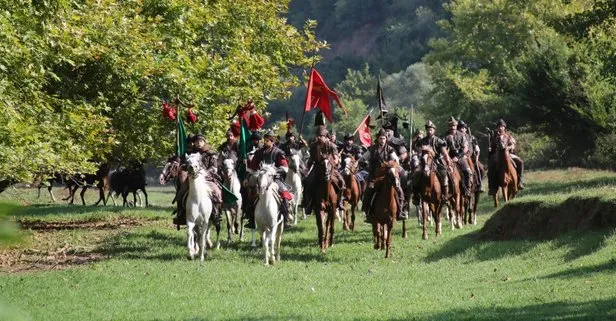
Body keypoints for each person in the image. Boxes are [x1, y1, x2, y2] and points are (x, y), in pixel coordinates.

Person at [245, 129, 293, 228]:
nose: (265, 142)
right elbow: (252, 167)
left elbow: (285, 167)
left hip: (275, 178)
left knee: (284, 194)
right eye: (265, 140)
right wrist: (247, 178)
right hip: (261, 177)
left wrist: (273, 171)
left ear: (272, 141)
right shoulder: (259, 152)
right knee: (251, 193)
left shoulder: (278, 152)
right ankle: (251, 218)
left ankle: (286, 217)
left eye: (267, 140)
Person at [361, 128, 408, 222]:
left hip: (387, 176)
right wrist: (363, 162)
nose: (382, 140)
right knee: (368, 191)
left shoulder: (390, 150)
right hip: (374, 177)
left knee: (399, 189)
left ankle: (400, 211)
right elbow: (363, 158)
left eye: (384, 138)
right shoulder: (372, 149)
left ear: (386, 139)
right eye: (380, 138)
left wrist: (391, 165)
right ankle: (367, 212)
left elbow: (396, 160)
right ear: (377, 139)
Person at [301, 125, 346, 214]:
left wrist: (333, 162)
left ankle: (339, 202)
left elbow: (336, 158)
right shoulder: (314, 146)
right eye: (318, 136)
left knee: (341, 182)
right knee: (307, 182)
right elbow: (311, 159)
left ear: (325, 137)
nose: (319, 138)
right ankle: (308, 203)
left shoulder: (332, 146)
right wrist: (307, 168)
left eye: (321, 136)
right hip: (317, 168)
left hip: (330, 168)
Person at [412, 121, 451, 203]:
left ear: (434, 130)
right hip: (424, 162)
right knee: (416, 174)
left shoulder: (439, 141)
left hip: (436, 161)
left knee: (444, 174)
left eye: (431, 130)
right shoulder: (421, 141)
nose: (429, 131)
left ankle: (445, 195)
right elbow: (418, 151)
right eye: (428, 130)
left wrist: (448, 163)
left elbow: (445, 153)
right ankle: (416, 196)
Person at [488, 119, 524, 195]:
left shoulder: (509, 135)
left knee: (520, 162)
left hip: (508, 154)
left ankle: (520, 181)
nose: (500, 128)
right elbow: (492, 148)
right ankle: (493, 187)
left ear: (504, 127)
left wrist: (507, 148)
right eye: (499, 127)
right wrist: (490, 148)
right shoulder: (494, 137)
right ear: (497, 128)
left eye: (502, 126)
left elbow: (513, 145)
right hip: (498, 155)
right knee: (491, 167)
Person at [444, 117, 472, 197]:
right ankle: (445, 192)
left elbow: (466, 148)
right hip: (448, 158)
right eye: (451, 126)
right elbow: (443, 148)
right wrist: (448, 158)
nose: (452, 127)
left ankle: (468, 189)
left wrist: (458, 156)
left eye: (454, 126)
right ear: (449, 127)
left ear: (456, 126)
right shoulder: (445, 136)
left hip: (460, 157)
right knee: (442, 172)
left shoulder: (461, 135)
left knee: (468, 171)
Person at [458, 120, 484, 192]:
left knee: (480, 168)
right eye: (460, 128)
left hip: (471, 158)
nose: (462, 129)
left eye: (463, 128)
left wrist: (476, 157)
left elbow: (477, 149)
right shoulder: (457, 138)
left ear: (466, 129)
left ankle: (480, 184)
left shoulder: (471, 137)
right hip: (460, 158)